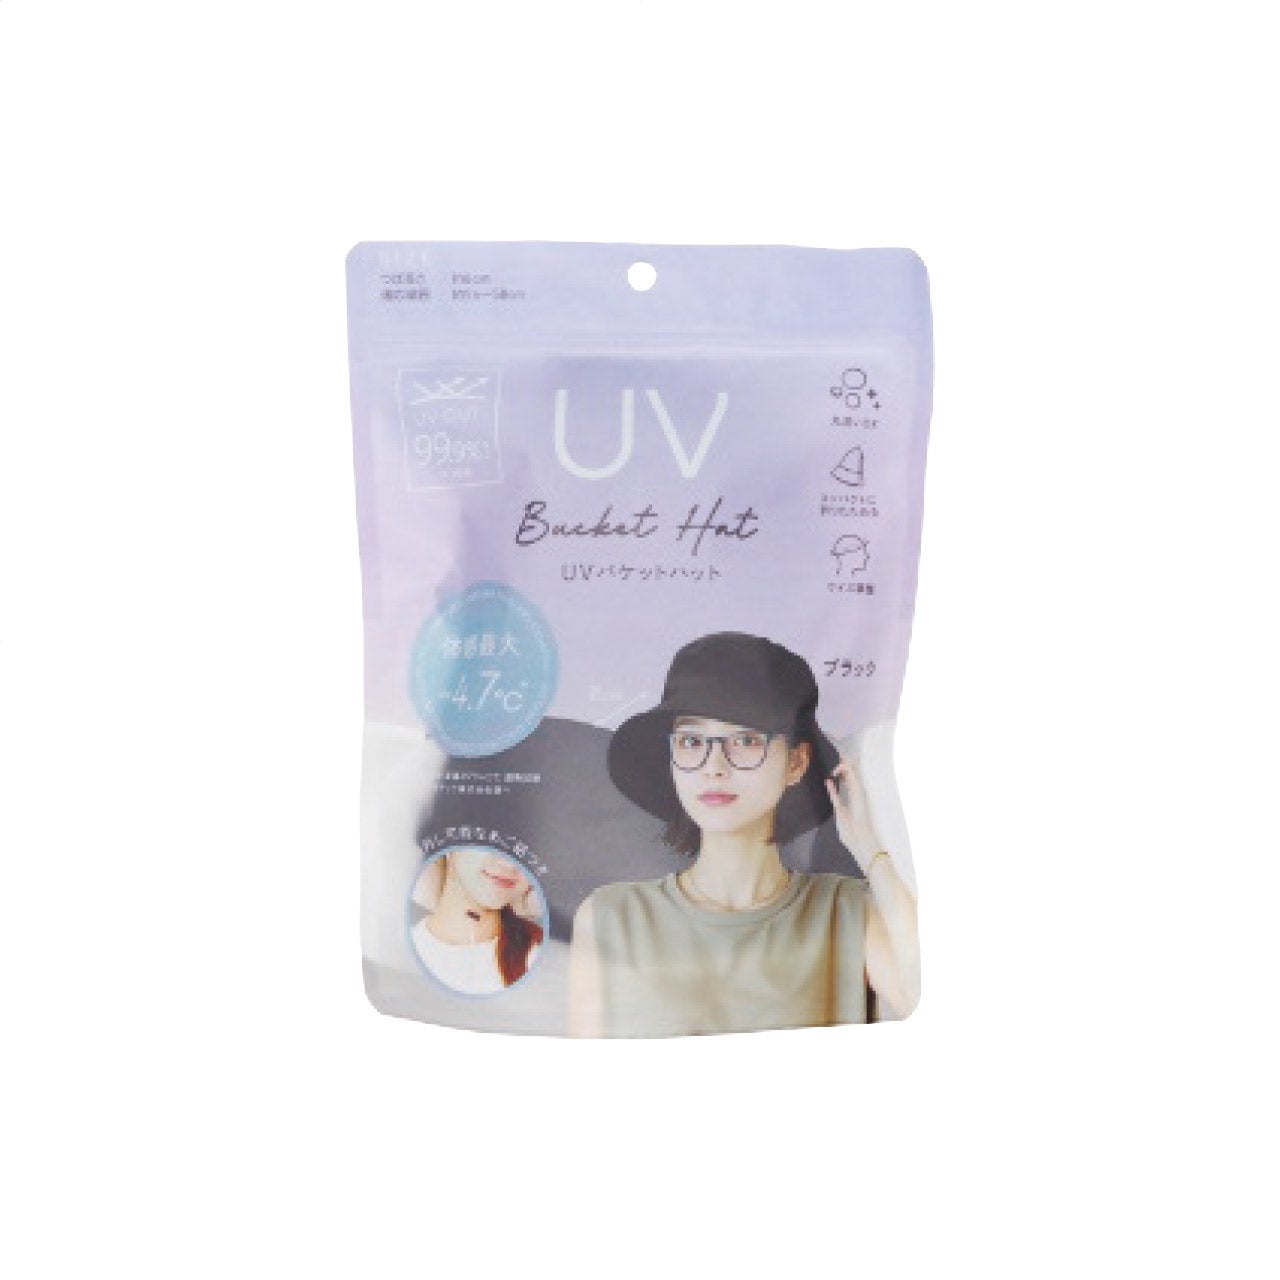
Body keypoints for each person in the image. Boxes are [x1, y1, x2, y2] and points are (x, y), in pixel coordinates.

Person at [568, 631, 919, 1036]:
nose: (714, 766)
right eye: (691, 740)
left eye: (746, 740)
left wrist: (870, 851)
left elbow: (919, 996)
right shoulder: (610, 918)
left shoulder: (850, 911)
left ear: (796, 763)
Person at [410, 847, 545, 995]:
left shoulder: (541, 954)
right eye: (491, 843)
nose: (510, 864)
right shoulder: (406, 953)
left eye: (523, 852)